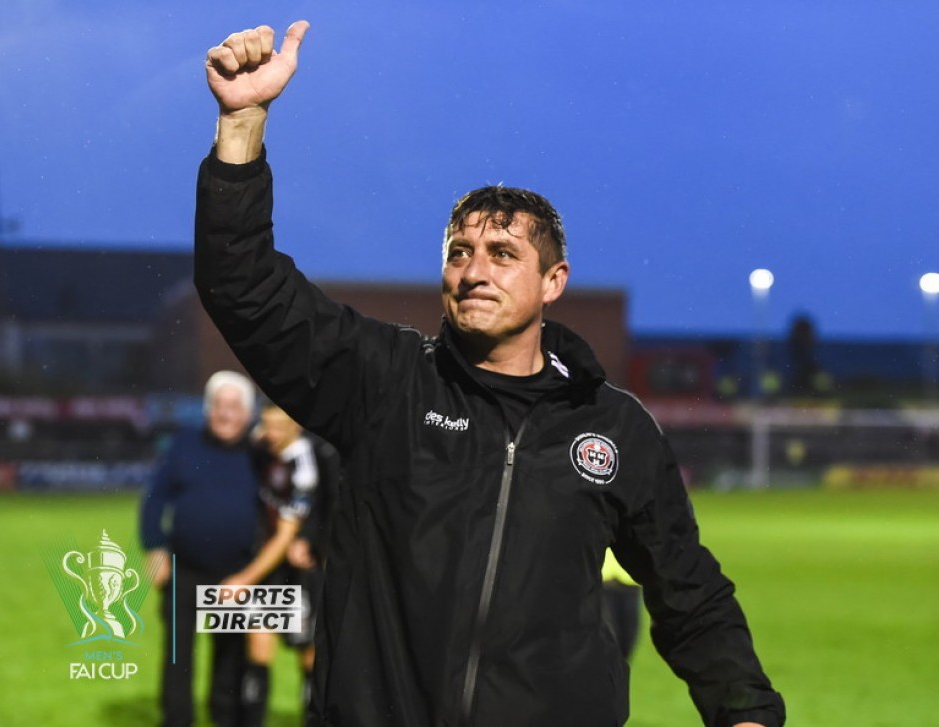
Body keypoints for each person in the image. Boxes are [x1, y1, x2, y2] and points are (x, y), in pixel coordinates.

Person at [194, 21, 786, 727]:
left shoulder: (613, 427)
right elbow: (243, 287)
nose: (473, 270)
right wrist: (242, 123)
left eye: (502, 253)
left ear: (553, 281)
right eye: (458, 252)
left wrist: (745, 712)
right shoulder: (383, 381)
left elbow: (688, 588)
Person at [140, 370, 260, 727]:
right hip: (183, 569)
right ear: (208, 410)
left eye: (234, 407)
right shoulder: (185, 444)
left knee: (231, 658)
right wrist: (154, 547)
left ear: (248, 413)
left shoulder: (261, 453)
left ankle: (224, 719)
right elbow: (155, 499)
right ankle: (177, 721)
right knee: (177, 656)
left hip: (237, 574)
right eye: (219, 406)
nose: (225, 414)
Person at [230, 404, 337, 727]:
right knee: (257, 645)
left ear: (296, 427)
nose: (270, 433)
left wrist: (244, 579)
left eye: (279, 426)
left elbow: (288, 535)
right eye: (266, 425)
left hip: (299, 572)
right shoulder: (265, 452)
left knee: (308, 653)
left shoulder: (305, 464)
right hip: (271, 569)